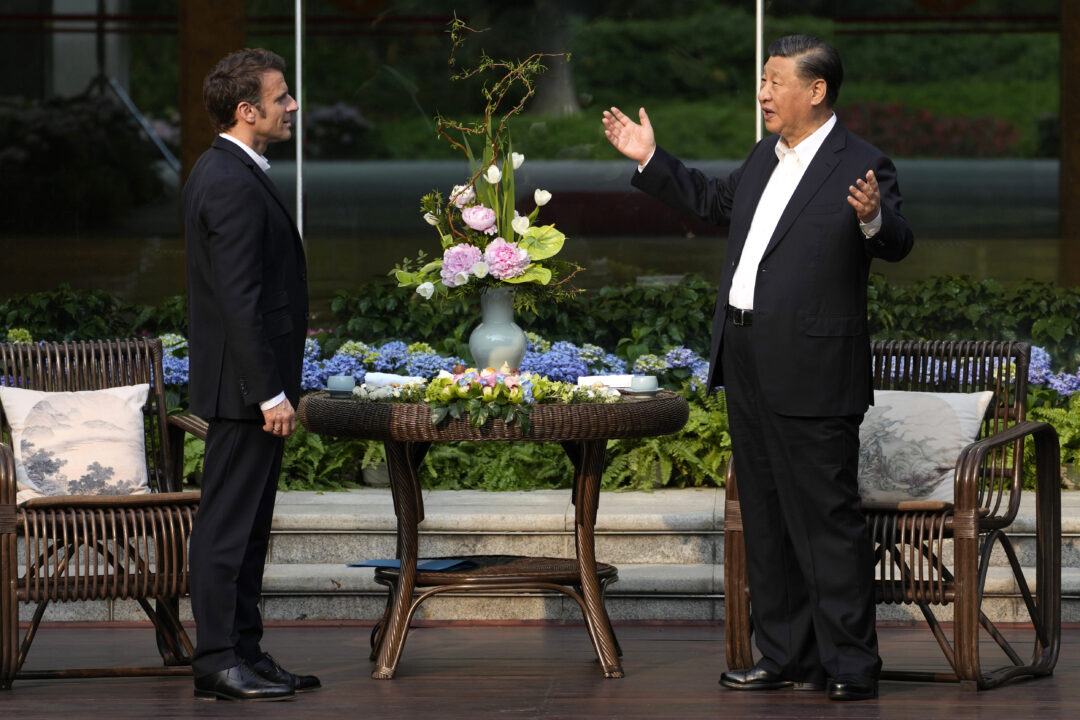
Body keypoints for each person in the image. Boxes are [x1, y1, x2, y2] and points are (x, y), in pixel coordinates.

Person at [603, 34, 913, 702]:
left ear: (816, 90)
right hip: (745, 356)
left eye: (775, 81)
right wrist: (650, 158)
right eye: (763, 80)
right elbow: (713, 202)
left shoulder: (861, 163)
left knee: (825, 519)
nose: (763, 93)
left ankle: (851, 664)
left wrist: (872, 219)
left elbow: (897, 240)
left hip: (813, 367)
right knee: (766, 519)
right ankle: (787, 657)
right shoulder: (763, 157)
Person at [183, 48, 317, 702]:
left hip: (249, 390)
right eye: (281, 96)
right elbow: (239, 300)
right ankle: (217, 660)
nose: (292, 105)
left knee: (250, 530)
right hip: (244, 393)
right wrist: (269, 393)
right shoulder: (229, 180)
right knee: (226, 530)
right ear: (247, 110)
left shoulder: (234, 170)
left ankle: (246, 653)